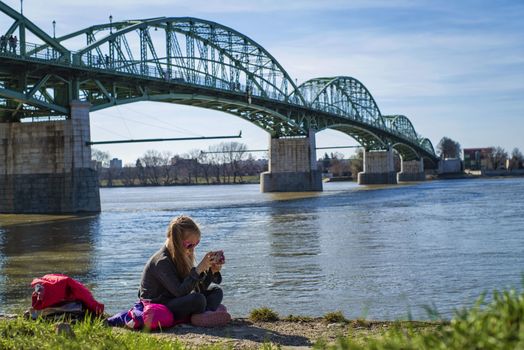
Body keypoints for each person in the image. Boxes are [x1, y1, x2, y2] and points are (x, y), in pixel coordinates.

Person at [138, 215, 231, 327]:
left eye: (196, 244)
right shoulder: (161, 261)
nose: (192, 248)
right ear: (176, 242)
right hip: (160, 305)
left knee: (216, 291)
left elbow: (196, 288)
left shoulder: (181, 256)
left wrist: (212, 271)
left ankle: (204, 314)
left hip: (176, 300)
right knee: (198, 299)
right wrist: (199, 269)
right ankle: (205, 313)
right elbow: (180, 292)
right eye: (189, 245)